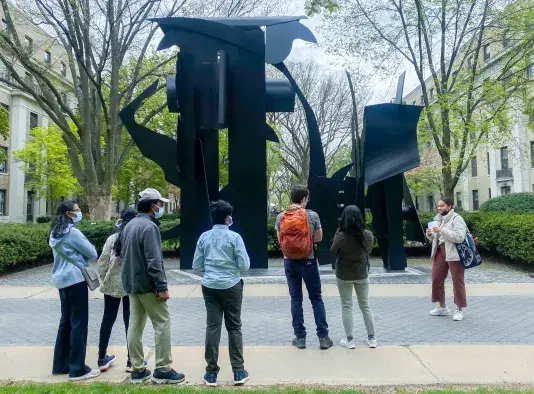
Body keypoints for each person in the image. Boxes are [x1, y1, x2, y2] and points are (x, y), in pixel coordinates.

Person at [121, 188, 185, 384]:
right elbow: (154, 261)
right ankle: (163, 369)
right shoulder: (149, 228)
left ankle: (138, 369)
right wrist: (161, 286)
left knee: (135, 326)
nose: (161, 207)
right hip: (148, 285)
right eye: (160, 203)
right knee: (162, 323)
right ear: (152, 206)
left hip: (132, 284)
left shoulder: (129, 225)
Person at [193, 200, 251, 387]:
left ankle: (211, 373)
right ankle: (238, 371)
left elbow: (196, 265)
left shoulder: (203, 237)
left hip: (209, 285)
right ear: (227, 218)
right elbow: (245, 265)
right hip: (232, 285)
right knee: (234, 327)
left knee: (213, 327)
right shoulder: (235, 238)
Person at [276, 185, 333, 350]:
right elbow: (319, 238)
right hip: (308, 261)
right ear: (304, 199)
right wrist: (305, 241)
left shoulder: (281, 216)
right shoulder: (312, 215)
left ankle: (300, 338)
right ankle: (323, 337)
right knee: (316, 298)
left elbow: (281, 239)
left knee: (296, 299)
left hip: (289, 262)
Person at [49, 201, 100, 381]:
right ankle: (77, 368)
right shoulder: (72, 232)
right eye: (77, 211)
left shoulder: (54, 233)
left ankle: (60, 365)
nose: (80, 213)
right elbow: (93, 253)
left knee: (66, 322)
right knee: (79, 323)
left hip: (61, 281)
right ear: (69, 214)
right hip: (75, 280)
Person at [97, 207, 146, 373]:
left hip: (111, 285)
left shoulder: (112, 238)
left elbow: (102, 262)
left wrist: (105, 278)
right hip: (130, 284)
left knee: (107, 320)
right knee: (130, 323)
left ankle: (102, 357)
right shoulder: (135, 236)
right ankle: (131, 361)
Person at [330, 205, 377, 349]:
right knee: (365, 306)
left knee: (346, 306)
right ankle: (372, 338)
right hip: (362, 273)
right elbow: (368, 251)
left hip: (344, 274)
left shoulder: (340, 235)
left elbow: (333, 252)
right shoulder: (367, 234)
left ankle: (349, 340)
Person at [426, 197, 468, 321]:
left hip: (454, 254)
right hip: (440, 252)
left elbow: (459, 237)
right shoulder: (437, 219)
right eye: (438, 206)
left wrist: (441, 230)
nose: (439, 208)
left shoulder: (457, 219)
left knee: (457, 282)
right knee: (436, 279)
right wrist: (430, 235)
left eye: (442, 206)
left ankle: (459, 309)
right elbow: (436, 237)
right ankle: (442, 307)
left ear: (449, 206)